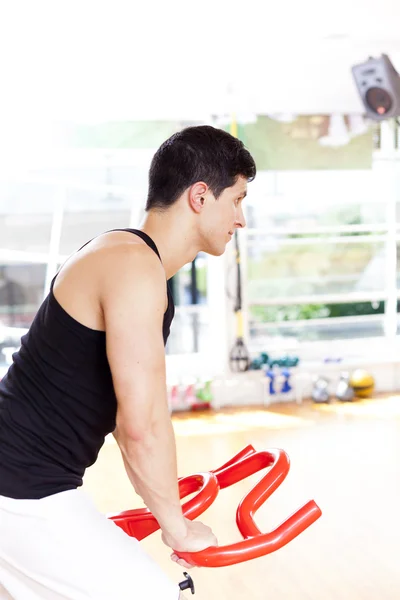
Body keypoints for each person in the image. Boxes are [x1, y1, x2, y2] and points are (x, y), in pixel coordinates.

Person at [0, 125, 256, 599]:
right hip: (20, 489)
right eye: (237, 199)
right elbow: (142, 426)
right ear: (201, 195)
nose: (241, 219)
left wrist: (167, 512)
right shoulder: (135, 268)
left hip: (23, 483)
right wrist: (178, 528)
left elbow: (124, 417)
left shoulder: (128, 257)